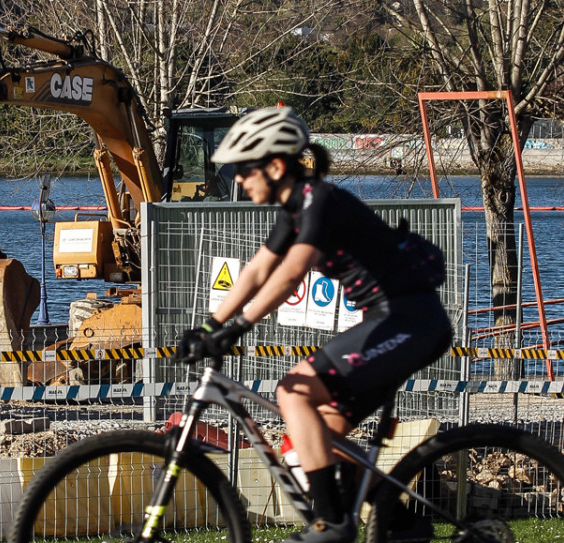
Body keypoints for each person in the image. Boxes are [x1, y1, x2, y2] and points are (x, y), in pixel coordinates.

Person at [176, 107, 452, 543]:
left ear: (275, 165)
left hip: (408, 320)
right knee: (317, 438)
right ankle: (403, 526)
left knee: (291, 391)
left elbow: (290, 274)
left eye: (243, 171)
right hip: (388, 321)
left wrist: (239, 326)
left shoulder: (318, 200)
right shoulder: (293, 210)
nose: (238, 181)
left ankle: (330, 522)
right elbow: (254, 271)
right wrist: (211, 326)